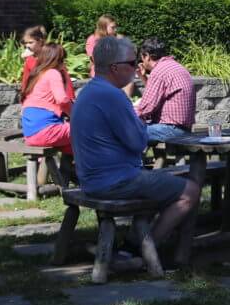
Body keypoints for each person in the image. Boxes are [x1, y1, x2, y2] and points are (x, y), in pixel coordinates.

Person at [71, 36, 199, 249]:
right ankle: (143, 249)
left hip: (91, 179)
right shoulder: (113, 96)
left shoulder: (89, 91)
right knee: (191, 190)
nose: (137, 68)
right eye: (131, 64)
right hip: (114, 182)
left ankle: (135, 240)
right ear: (114, 68)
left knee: (159, 180)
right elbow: (138, 143)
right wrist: (138, 126)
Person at [134, 38, 196, 141]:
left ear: (147, 56)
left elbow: (146, 107)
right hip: (182, 129)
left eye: (142, 58)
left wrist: (125, 115)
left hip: (170, 129)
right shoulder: (175, 66)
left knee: (124, 131)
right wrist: (142, 77)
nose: (142, 62)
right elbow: (158, 95)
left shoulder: (158, 71)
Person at [20, 44, 74, 154]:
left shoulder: (37, 75)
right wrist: (75, 115)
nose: (64, 63)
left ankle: (68, 168)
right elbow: (62, 100)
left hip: (30, 135)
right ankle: (75, 168)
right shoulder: (53, 73)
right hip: (46, 132)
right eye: (62, 60)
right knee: (89, 129)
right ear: (56, 60)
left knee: (72, 142)